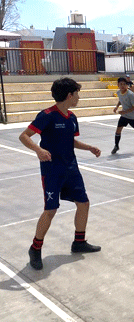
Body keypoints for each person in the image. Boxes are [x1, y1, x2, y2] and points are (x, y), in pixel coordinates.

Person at [18, 78, 103, 270]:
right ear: (69, 95)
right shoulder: (47, 115)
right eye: (77, 94)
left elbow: (70, 141)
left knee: (84, 204)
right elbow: (24, 136)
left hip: (71, 168)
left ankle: (79, 242)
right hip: (52, 171)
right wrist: (38, 150)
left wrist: (89, 147)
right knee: (51, 210)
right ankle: (35, 248)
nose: (79, 97)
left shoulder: (72, 117)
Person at [112, 77, 134, 154]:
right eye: (121, 84)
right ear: (118, 85)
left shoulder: (130, 94)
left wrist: (125, 112)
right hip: (125, 116)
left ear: (127, 85)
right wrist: (116, 107)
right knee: (118, 130)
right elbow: (120, 100)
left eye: (124, 84)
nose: (122, 86)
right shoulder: (118, 92)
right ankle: (116, 146)